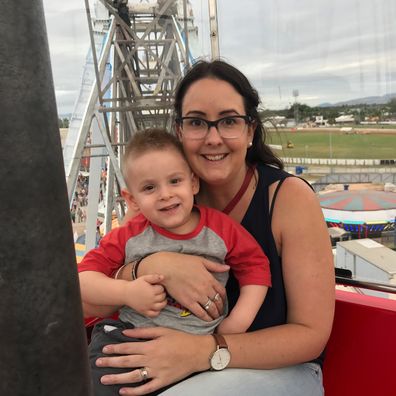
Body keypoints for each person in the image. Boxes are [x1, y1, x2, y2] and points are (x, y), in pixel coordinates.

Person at [81, 60, 335, 396]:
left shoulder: (288, 199)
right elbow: (86, 303)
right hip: (171, 360)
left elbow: (310, 335)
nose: (213, 138)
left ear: (250, 130)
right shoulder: (159, 207)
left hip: (277, 368)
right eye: (198, 122)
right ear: (180, 131)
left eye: (228, 121)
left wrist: (202, 352)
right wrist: (147, 268)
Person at [79, 128, 271, 395]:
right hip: (128, 337)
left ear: (193, 183)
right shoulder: (128, 236)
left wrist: (237, 323)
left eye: (174, 181)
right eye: (149, 187)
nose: (165, 194)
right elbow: (82, 280)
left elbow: (256, 267)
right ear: (132, 199)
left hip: (194, 349)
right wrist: (127, 292)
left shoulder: (221, 230)